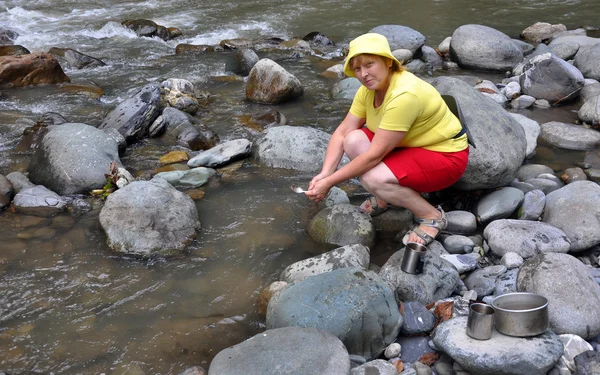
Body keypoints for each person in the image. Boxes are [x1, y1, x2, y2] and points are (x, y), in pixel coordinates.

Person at [305, 33, 469, 245]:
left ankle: (431, 217)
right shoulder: (368, 90)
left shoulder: (403, 95)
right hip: (409, 146)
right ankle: (389, 197)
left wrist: (329, 182)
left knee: (372, 177)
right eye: (357, 68)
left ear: (388, 62)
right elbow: (343, 131)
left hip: (446, 156)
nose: (363, 74)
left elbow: (374, 157)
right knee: (353, 140)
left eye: (369, 64)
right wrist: (325, 172)